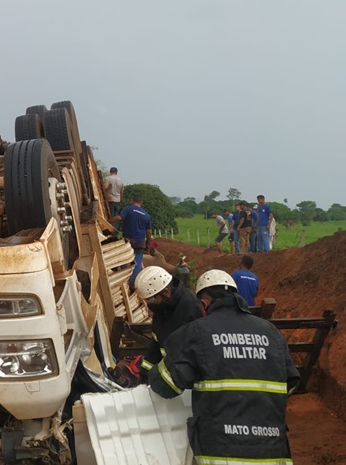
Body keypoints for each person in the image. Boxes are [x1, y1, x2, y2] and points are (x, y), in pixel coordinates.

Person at [149, 270, 299, 464]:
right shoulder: (271, 332)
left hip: (221, 452)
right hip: (272, 452)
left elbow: (166, 385)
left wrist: (150, 373)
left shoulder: (197, 332)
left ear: (204, 304)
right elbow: (291, 383)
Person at [133, 266, 205, 375]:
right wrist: (144, 374)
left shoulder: (190, 308)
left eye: (151, 299)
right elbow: (156, 346)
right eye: (147, 300)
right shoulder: (163, 310)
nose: (149, 304)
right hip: (172, 372)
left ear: (166, 292)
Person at [109, 194, 152, 287]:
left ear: (132, 200)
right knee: (137, 261)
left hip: (128, 240)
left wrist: (107, 221)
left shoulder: (128, 209)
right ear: (141, 203)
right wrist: (148, 244)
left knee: (125, 258)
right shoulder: (146, 215)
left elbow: (119, 218)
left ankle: (123, 279)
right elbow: (148, 232)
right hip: (140, 242)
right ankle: (133, 282)